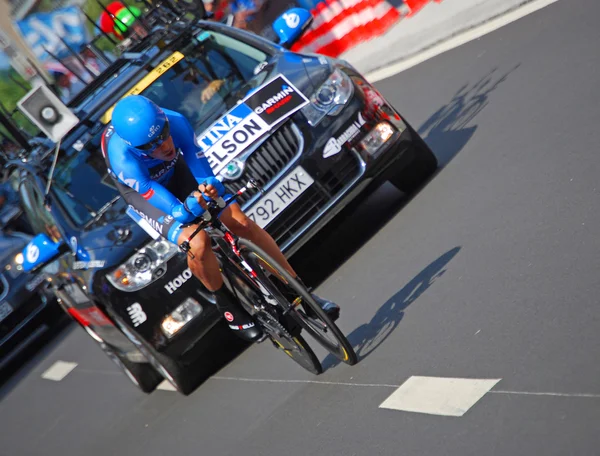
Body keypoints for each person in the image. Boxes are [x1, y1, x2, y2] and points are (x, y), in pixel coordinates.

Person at [102, 95, 339, 342]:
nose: (163, 146)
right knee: (198, 242)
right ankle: (225, 302)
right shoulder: (124, 161)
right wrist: (185, 209)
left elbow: (201, 170)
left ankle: (302, 293)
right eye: (151, 144)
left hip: (177, 169)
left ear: (165, 122)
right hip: (146, 192)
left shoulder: (176, 121)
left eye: (164, 133)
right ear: (135, 147)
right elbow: (171, 207)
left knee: (240, 222)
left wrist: (208, 188)